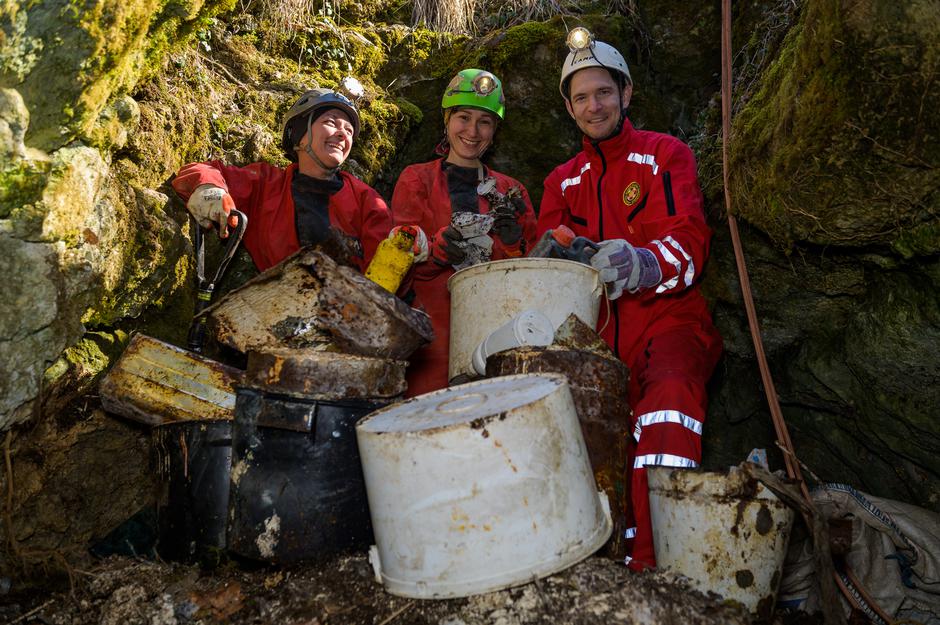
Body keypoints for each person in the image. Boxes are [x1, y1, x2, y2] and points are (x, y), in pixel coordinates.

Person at [537, 30, 723, 570]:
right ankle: (601, 564)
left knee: (667, 404)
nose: (593, 105)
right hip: (594, 340)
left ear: (626, 93)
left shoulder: (665, 155)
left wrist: (642, 263)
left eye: (603, 92)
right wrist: (549, 255)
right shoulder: (562, 181)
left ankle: (664, 564)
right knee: (578, 430)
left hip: (668, 320)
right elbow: (544, 262)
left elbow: (690, 239)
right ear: (569, 108)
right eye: (581, 97)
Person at [391, 69, 538, 397]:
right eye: (463, 117)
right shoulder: (417, 181)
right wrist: (436, 252)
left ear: (495, 130)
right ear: (446, 120)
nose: (472, 131)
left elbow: (531, 278)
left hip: (496, 337)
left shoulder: (511, 191)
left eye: (484, 121)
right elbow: (395, 268)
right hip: (430, 340)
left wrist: (514, 245)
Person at [172, 87, 393, 273]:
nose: (343, 134)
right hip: (279, 308)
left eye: (349, 131)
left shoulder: (366, 200)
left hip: (350, 314)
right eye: (331, 122)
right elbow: (202, 170)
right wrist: (210, 188)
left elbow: (386, 274)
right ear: (299, 135)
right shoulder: (266, 185)